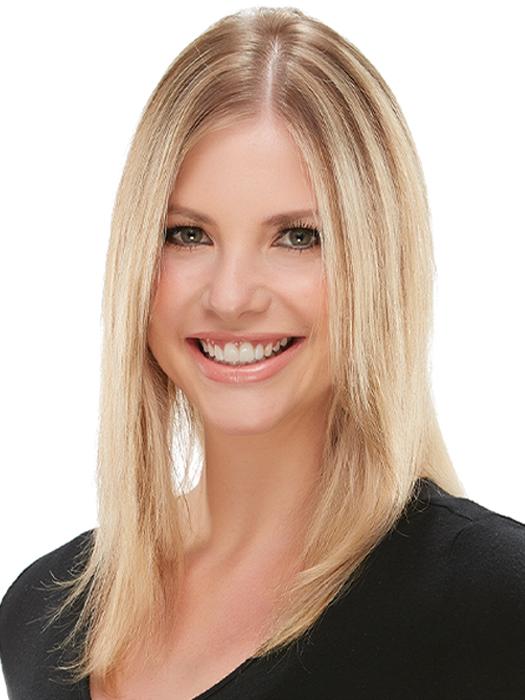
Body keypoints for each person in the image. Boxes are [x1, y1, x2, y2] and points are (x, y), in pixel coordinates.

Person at [1, 6, 524, 700]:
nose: (231, 296)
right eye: (188, 235)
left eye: (298, 237)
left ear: (381, 266)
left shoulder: (493, 607)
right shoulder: (43, 610)